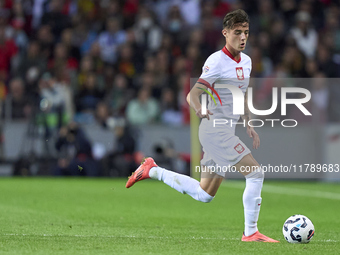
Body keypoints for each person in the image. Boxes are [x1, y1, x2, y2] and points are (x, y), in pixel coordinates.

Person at [125, 9, 279, 243]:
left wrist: (249, 123)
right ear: (225, 33)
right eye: (237, 32)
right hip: (215, 130)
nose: (243, 37)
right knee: (256, 173)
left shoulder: (246, 62)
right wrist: (198, 108)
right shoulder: (216, 61)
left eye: (246, 32)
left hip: (226, 130)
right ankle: (250, 232)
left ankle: (152, 170)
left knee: (205, 194)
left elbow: (241, 96)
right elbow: (192, 94)